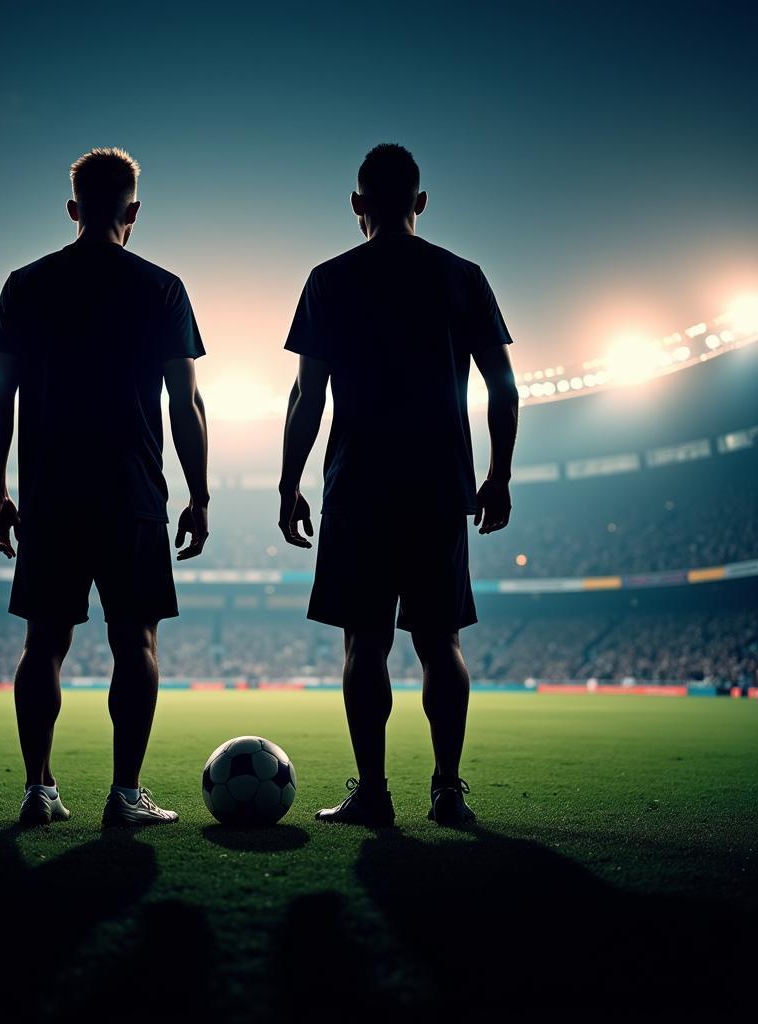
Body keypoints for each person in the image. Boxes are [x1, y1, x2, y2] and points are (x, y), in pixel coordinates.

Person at [278, 143, 519, 827]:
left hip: (358, 485)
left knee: (365, 644)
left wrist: (289, 483)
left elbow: (307, 397)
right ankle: (446, 788)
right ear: (420, 202)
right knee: (441, 643)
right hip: (441, 481)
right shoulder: (462, 276)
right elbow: (503, 387)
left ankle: (375, 793)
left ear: (357, 204)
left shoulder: (329, 279)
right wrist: (498, 474)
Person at [0, 147, 210, 827]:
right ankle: (124, 793)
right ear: (133, 212)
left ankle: (38, 790)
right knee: (134, 641)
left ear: (73, 208)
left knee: (43, 642)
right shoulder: (163, 287)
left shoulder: (26, 284)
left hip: (51, 491)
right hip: (132, 491)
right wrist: (199, 494)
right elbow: (185, 404)